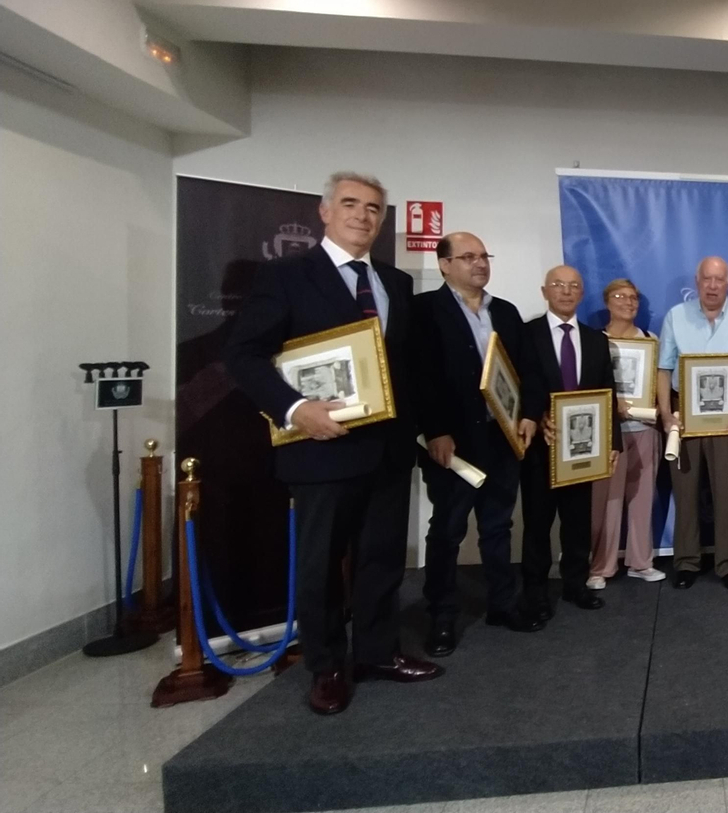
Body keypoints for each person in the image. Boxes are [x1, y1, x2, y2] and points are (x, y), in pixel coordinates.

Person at [224, 171, 440, 715]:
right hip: (320, 447)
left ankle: (376, 653)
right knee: (320, 565)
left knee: (382, 559)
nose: (362, 215)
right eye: (350, 204)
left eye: (373, 208)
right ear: (325, 212)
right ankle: (326, 667)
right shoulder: (287, 276)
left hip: (388, 450)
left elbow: (408, 367)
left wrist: (422, 425)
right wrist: (297, 410)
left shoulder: (396, 283)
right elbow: (244, 355)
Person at [413, 232, 542, 657]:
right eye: (468, 257)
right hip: (453, 444)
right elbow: (420, 377)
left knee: (498, 527)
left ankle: (503, 605)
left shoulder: (504, 312)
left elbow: (528, 371)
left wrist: (526, 414)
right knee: (448, 531)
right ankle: (442, 617)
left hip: (500, 438)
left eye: (484, 255)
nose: (479, 263)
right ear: (444, 264)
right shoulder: (425, 311)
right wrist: (435, 431)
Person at [520, 266, 621, 620]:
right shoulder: (526, 334)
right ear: (545, 291)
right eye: (558, 285)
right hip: (541, 446)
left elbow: (609, 393)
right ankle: (535, 593)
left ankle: (575, 585)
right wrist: (535, 414)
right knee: (537, 524)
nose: (566, 291)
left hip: (584, 447)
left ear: (582, 294)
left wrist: (614, 442)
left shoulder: (596, 339)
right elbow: (520, 386)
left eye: (574, 286)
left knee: (578, 522)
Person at [657, 256, 728, 591]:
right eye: (707, 279)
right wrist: (664, 414)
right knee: (685, 491)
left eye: (719, 280)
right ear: (698, 281)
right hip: (684, 415)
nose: (713, 286)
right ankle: (687, 561)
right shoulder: (675, 316)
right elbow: (663, 369)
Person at [587, 279, 667, 589]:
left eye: (634, 297)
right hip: (608, 434)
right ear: (608, 302)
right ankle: (600, 567)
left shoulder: (651, 339)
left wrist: (663, 412)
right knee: (606, 501)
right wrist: (610, 402)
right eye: (620, 296)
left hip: (645, 429)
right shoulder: (593, 340)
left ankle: (640, 562)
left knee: (642, 497)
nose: (628, 302)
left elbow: (661, 379)